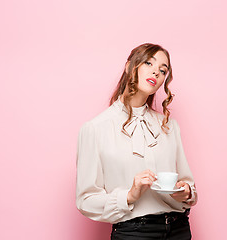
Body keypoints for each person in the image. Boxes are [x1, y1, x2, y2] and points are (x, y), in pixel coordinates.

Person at [75, 43, 198, 239]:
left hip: (179, 229)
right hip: (134, 233)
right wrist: (129, 195)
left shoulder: (169, 126)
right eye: (149, 63)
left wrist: (186, 192)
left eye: (163, 70)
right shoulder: (95, 129)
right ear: (129, 66)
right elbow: (86, 200)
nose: (156, 72)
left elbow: (188, 185)